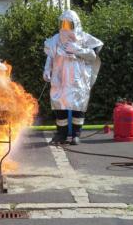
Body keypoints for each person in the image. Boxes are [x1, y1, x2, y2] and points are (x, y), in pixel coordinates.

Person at [43, 9, 104, 145]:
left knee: (78, 104)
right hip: (60, 77)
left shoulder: (84, 38)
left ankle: (76, 134)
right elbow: (50, 56)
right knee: (59, 103)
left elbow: (93, 55)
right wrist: (47, 70)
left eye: (68, 24)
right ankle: (61, 134)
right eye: (62, 24)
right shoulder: (55, 39)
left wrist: (76, 49)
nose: (65, 27)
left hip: (78, 78)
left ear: (75, 24)